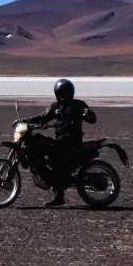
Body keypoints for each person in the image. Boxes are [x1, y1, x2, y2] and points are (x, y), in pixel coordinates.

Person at [28, 78, 97, 207]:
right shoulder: (56, 107)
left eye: (66, 93)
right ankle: (57, 193)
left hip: (72, 141)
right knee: (45, 150)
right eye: (61, 93)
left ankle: (58, 194)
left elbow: (92, 119)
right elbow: (42, 117)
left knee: (54, 155)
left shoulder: (79, 105)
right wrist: (25, 121)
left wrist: (88, 114)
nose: (63, 96)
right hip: (60, 141)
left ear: (71, 93)